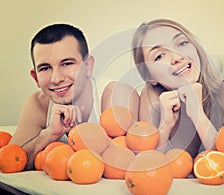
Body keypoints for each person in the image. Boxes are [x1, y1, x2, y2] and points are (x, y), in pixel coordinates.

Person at [131, 19, 224, 157]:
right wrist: (165, 128)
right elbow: (151, 165)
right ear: (149, 77)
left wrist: (198, 116)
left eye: (181, 43)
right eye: (160, 56)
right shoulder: (151, 97)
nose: (176, 57)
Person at [9, 23, 139, 170]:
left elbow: (117, 165)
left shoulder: (117, 94)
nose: (56, 79)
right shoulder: (38, 104)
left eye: (66, 64)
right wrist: (49, 134)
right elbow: (9, 163)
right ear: (36, 77)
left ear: (88, 67)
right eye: (45, 68)